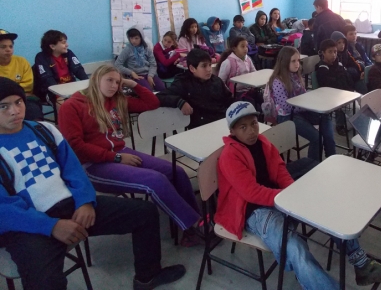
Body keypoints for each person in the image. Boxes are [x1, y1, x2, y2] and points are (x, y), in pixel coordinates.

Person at [0, 77, 186, 290]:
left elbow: (74, 171)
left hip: (72, 206)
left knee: (145, 213)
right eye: (4, 106)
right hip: (28, 225)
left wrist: (85, 202)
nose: (14, 111)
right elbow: (4, 210)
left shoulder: (43, 130)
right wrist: (51, 226)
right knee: (45, 283)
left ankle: (148, 276)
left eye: (18, 102)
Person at [215, 101, 381, 289]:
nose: (252, 131)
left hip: (277, 198)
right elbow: (251, 193)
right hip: (252, 211)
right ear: (233, 131)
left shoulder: (262, 143)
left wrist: (293, 192)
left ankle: (362, 265)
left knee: (326, 206)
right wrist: (286, 199)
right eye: (243, 127)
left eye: (254, 123)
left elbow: (280, 170)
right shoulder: (230, 156)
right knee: (294, 247)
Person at [58, 65, 201, 244]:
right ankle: (191, 226)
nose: (114, 86)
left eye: (117, 82)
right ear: (96, 79)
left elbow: (152, 103)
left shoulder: (115, 100)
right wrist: (115, 158)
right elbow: (75, 147)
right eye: (109, 80)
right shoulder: (72, 106)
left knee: (176, 171)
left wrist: (132, 84)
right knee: (155, 180)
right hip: (93, 166)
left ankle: (196, 217)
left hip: (120, 153)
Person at [270, 46, 336, 161]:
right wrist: (305, 105)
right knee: (316, 138)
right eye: (293, 61)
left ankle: (332, 156)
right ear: (284, 62)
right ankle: (312, 166)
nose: (297, 64)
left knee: (325, 116)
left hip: (301, 110)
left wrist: (311, 101)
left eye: (298, 61)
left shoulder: (296, 75)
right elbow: (286, 106)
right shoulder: (278, 81)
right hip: (286, 116)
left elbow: (303, 94)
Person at [157, 48, 234, 129]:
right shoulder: (183, 83)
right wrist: (179, 102)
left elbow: (229, 100)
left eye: (209, 65)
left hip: (221, 122)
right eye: (204, 66)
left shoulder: (216, 81)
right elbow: (160, 96)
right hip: (200, 128)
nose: (209, 69)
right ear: (192, 68)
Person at [33, 29, 88, 107]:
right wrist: (59, 95)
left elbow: (78, 70)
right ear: (52, 46)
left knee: (90, 99)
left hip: (71, 89)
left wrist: (90, 86)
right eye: (63, 42)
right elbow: (47, 79)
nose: (67, 45)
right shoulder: (41, 57)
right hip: (52, 91)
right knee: (65, 104)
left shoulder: (68, 53)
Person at [0, 29, 42, 120]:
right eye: (3, 47)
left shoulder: (21, 62)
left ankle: (35, 131)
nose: (8, 50)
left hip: (22, 98)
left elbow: (28, 86)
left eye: (10, 46)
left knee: (33, 110)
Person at [315, 39, 354, 136]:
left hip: (343, 93)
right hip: (330, 96)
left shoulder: (339, 64)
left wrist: (349, 90)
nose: (333, 54)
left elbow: (347, 78)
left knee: (359, 105)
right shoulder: (322, 68)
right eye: (330, 52)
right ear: (323, 53)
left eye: (335, 51)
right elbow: (328, 85)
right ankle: (340, 125)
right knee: (354, 110)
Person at [114, 27, 165, 92]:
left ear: (141, 38)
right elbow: (117, 64)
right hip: (137, 76)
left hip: (149, 74)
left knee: (162, 88)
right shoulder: (128, 49)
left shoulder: (146, 48)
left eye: (136, 38)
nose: (133, 41)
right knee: (148, 91)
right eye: (131, 38)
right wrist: (131, 73)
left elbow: (153, 64)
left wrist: (150, 76)